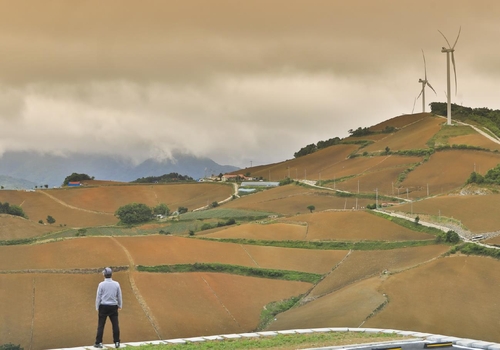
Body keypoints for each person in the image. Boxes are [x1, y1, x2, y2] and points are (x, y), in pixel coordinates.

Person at [94, 267, 122, 348]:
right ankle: (117, 342)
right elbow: (119, 296)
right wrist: (120, 305)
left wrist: (97, 307)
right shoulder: (116, 284)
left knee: (101, 325)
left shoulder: (101, 284)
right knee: (115, 325)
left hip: (103, 306)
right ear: (111, 275)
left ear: (104, 275)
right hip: (113, 306)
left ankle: (98, 342)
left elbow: (98, 297)